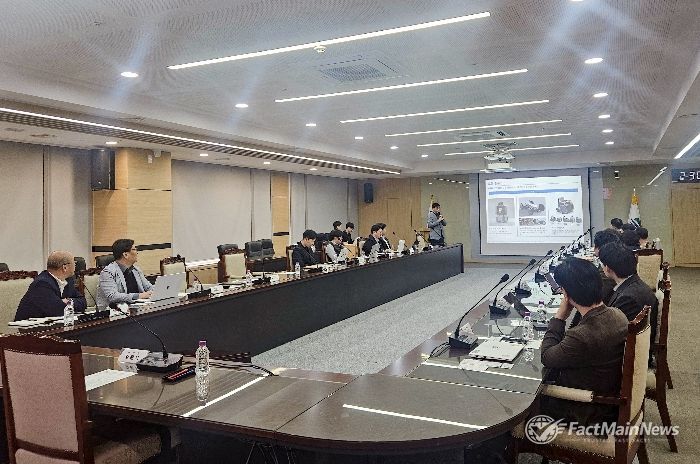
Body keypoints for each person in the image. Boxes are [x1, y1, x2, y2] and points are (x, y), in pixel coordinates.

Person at [540, 257, 629, 427]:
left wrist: (559, 318)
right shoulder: (618, 314)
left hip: (584, 411)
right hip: (609, 399)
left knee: (525, 399)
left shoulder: (581, 336)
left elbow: (547, 357)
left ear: (566, 294)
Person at [598, 242, 658, 347]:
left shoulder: (628, 298)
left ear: (607, 268)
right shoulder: (634, 283)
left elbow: (611, 334)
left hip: (630, 351)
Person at [14, 251, 87, 321]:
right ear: (65, 268)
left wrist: (68, 301)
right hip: (30, 327)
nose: (75, 266)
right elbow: (59, 311)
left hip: (54, 324)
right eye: (74, 263)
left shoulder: (68, 280)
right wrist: (65, 304)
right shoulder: (42, 284)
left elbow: (83, 302)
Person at [95, 239, 153, 309]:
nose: (137, 252)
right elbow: (113, 296)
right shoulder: (107, 272)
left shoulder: (136, 270)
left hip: (137, 308)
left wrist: (156, 291)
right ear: (125, 255)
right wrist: (138, 296)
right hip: (114, 311)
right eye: (134, 249)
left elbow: (149, 287)